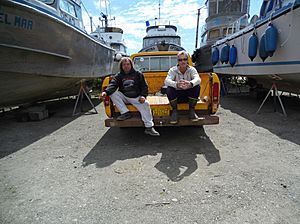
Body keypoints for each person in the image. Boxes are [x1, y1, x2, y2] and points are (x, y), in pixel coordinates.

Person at [100, 57, 160, 136]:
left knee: (146, 104)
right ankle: (125, 113)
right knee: (113, 93)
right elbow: (113, 85)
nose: (126, 66)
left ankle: (149, 127)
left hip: (136, 97)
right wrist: (105, 92)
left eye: (128, 64)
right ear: (121, 66)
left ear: (131, 65)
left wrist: (143, 96)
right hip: (125, 96)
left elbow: (144, 86)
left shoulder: (138, 74)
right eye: (124, 64)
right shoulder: (119, 75)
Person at [164, 51, 201, 124]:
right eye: (180, 60)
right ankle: (174, 111)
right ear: (177, 61)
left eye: (184, 59)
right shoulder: (173, 70)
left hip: (189, 97)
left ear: (187, 60)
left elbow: (198, 79)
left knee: (197, 86)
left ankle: (192, 110)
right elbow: (166, 81)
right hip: (177, 97)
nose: (182, 61)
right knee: (169, 88)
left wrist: (190, 84)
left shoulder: (192, 69)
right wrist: (176, 84)